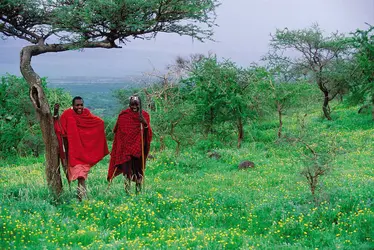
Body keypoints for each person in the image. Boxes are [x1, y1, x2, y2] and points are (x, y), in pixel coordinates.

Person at [53, 96, 109, 200]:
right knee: (80, 176)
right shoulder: (67, 114)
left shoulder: (86, 113)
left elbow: (99, 123)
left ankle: (81, 198)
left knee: (81, 177)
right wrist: (55, 114)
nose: (79, 107)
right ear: (72, 105)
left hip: (85, 152)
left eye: (81, 105)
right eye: (77, 105)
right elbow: (59, 128)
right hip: (73, 153)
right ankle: (82, 197)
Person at [107, 95, 152, 194]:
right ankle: (127, 193)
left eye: (136, 104)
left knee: (138, 172)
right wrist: (120, 147)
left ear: (140, 104)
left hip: (138, 149)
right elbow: (118, 132)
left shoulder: (145, 115)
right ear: (129, 105)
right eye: (132, 104)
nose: (134, 106)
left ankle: (138, 192)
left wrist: (144, 123)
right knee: (127, 173)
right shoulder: (124, 115)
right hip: (125, 150)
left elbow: (148, 134)